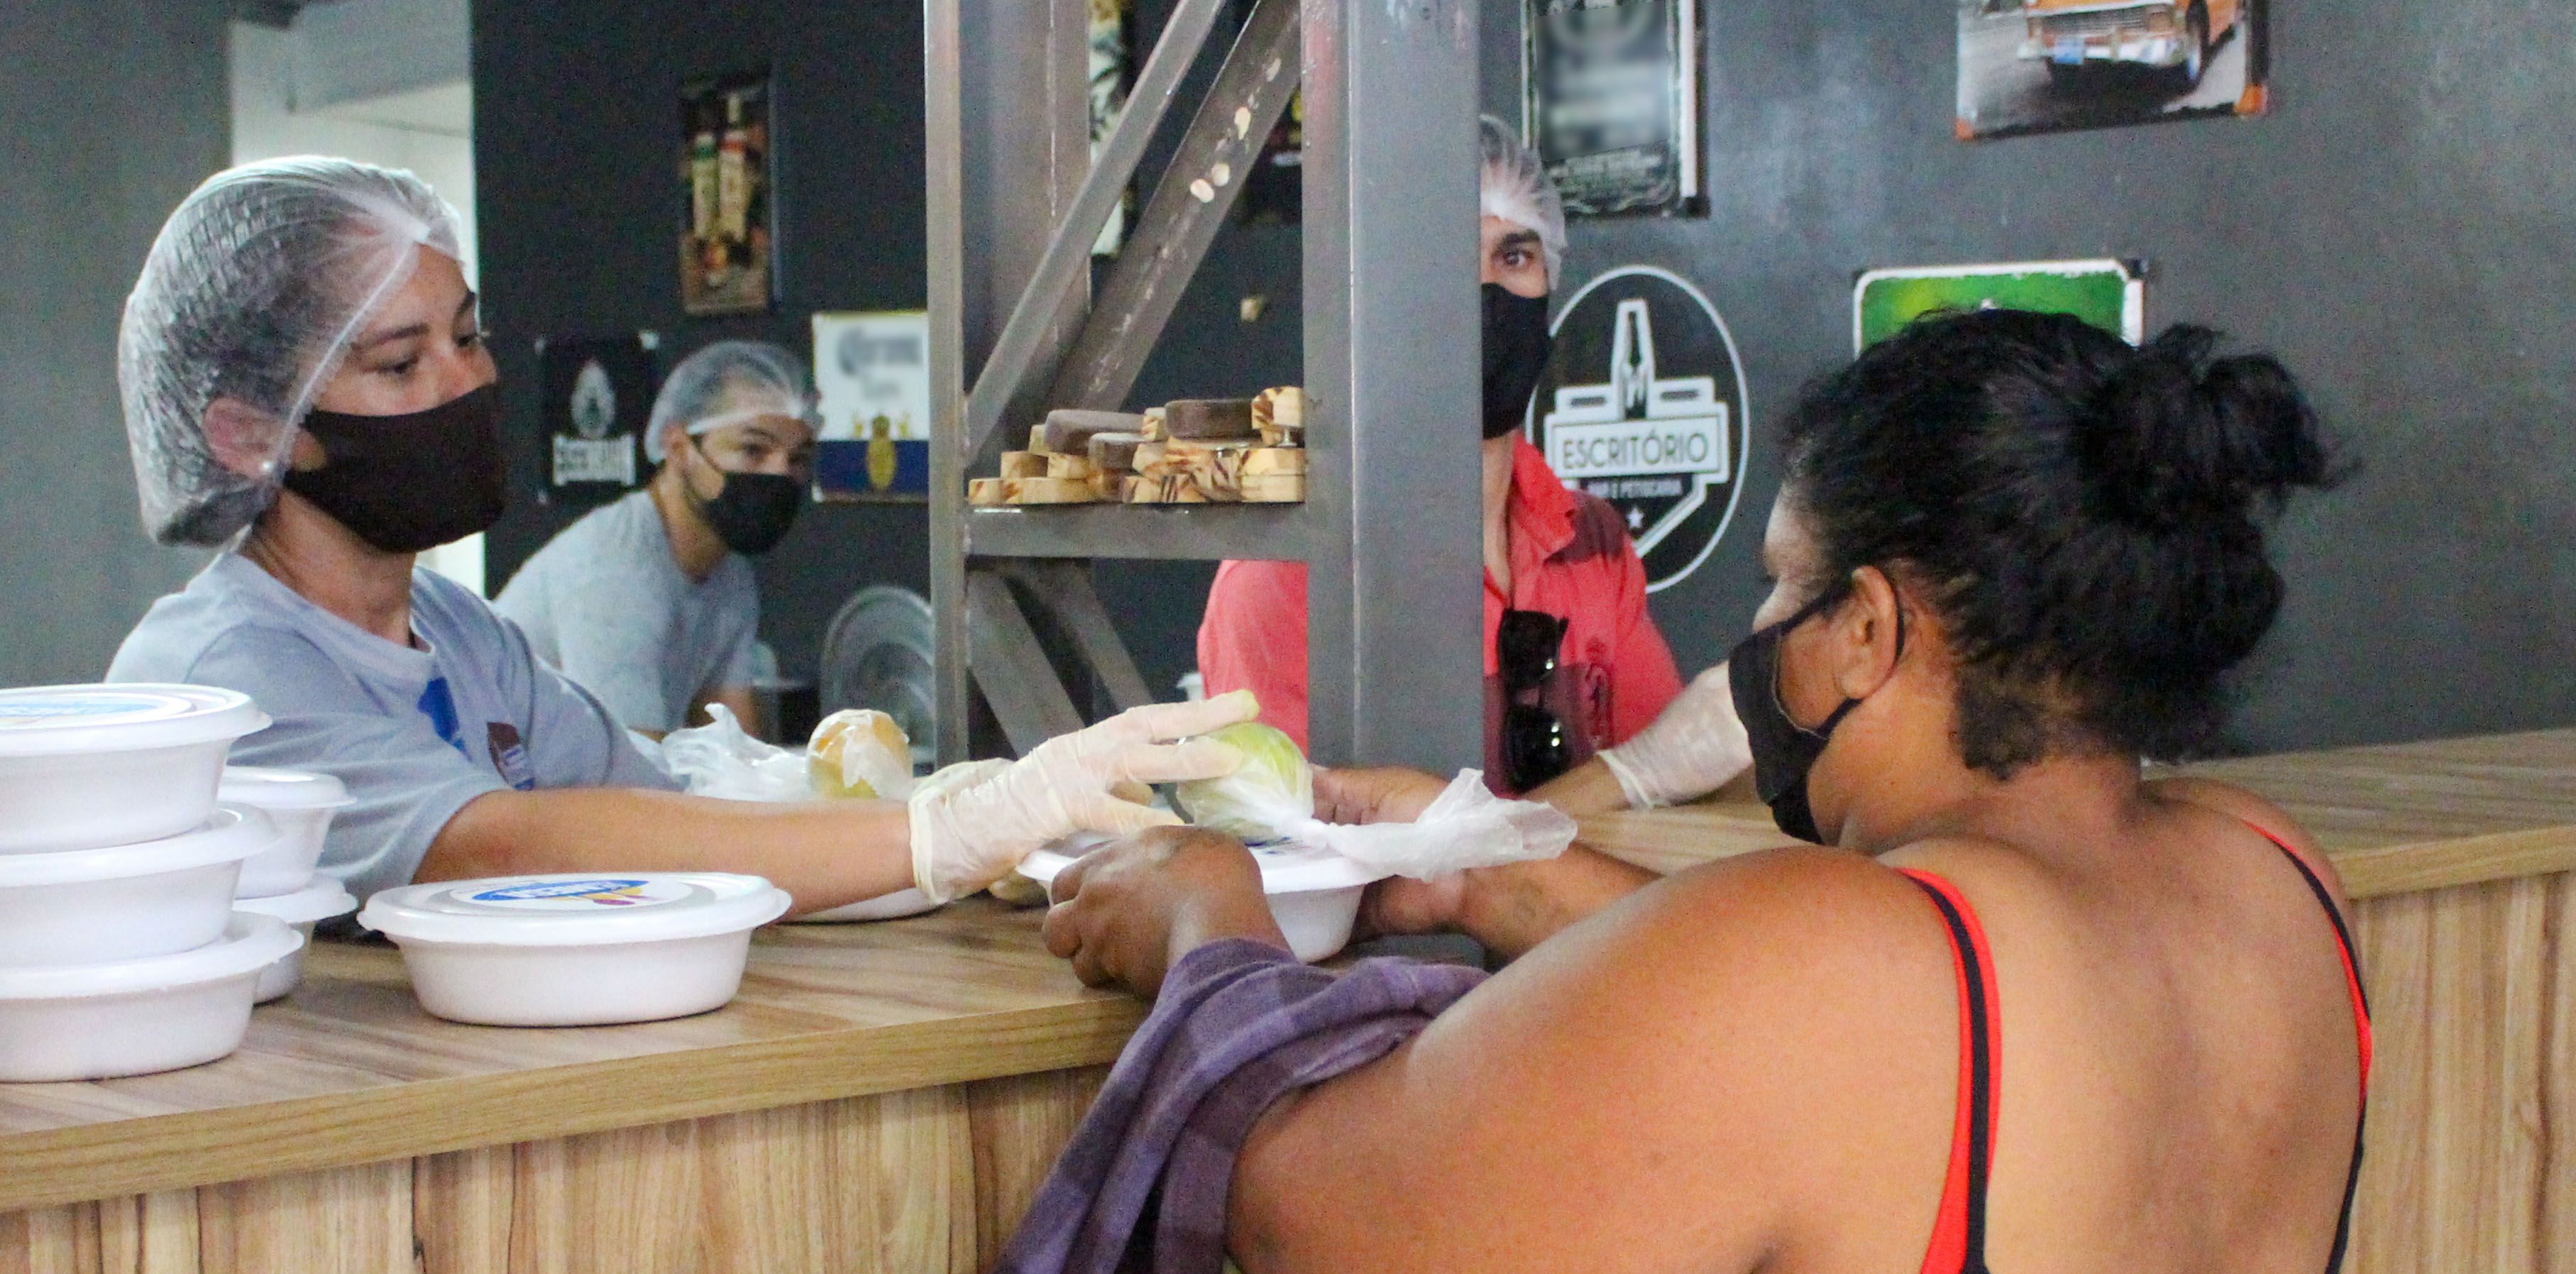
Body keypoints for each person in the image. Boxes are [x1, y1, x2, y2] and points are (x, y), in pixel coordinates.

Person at [1042, 311, 2358, 1274]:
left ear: (1869, 630)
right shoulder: (2270, 880)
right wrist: (1491, 868)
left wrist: (1207, 924)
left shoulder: (1828, 963)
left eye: (1786, 584)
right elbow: (1848, 1060)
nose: (1762, 631)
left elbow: (1333, 1239)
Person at [106, 158, 1252, 913]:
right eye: (403, 364)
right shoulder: (223, 680)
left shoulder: (460, 634)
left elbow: (661, 810)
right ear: (250, 432)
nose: (469, 384)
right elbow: (499, 847)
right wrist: (940, 832)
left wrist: (978, 821)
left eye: (469, 335)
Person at [1196, 117, 1684, 794]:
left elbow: (1668, 802)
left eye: (1514, 257)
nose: (1485, 293)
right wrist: (1620, 782)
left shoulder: (1592, 542)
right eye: (1448, 259)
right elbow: (1303, 849)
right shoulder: (1293, 571)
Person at [496, 340, 815, 739]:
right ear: (678, 448)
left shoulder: (729, 574)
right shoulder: (615, 571)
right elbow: (631, 765)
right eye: (753, 449)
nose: (780, 474)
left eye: (798, 458)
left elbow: (733, 746)